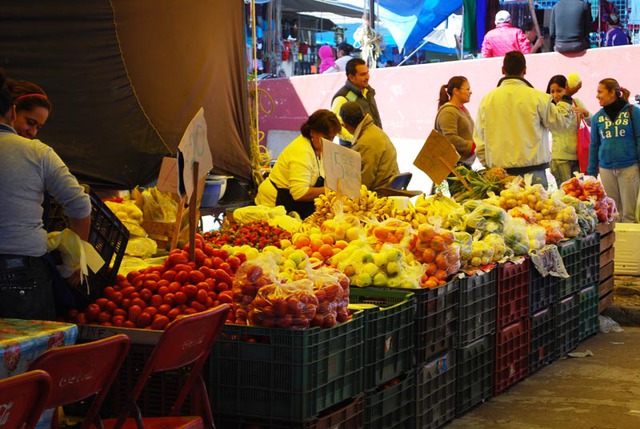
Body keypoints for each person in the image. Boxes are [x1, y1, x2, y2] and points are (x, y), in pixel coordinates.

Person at [0, 69, 91, 321]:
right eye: (30, 123)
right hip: (21, 272)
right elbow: (80, 205)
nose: (33, 132)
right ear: (13, 110)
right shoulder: (38, 153)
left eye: (38, 127)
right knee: (29, 352)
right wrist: (76, 257)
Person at [474, 51, 576, 188]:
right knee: (538, 209)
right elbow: (561, 123)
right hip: (534, 175)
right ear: (525, 70)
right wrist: (567, 97)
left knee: (503, 209)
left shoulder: (486, 101)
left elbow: (480, 141)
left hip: (500, 176)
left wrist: (491, 167)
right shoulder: (539, 98)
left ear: (503, 70)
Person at [255, 109, 340, 219]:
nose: (330, 142)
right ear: (312, 132)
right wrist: (331, 189)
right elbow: (299, 193)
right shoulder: (302, 151)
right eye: (327, 137)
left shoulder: (318, 148)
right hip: (274, 204)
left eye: (333, 138)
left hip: (291, 204)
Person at [587, 78, 640, 223]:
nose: (597, 96)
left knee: (629, 215)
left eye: (600, 92)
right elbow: (594, 145)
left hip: (629, 168)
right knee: (614, 214)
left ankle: (631, 245)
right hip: (606, 170)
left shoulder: (633, 112)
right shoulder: (597, 117)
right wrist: (591, 173)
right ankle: (616, 245)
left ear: (612, 93)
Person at [339, 101, 399, 190]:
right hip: (390, 187)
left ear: (346, 125)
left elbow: (363, 184)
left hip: (381, 194)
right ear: (363, 114)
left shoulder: (364, 143)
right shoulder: (375, 131)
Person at [546, 75, 591, 186]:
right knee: (567, 196)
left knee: (579, 195)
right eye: (552, 91)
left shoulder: (576, 102)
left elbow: (592, 123)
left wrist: (585, 113)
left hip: (578, 156)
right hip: (560, 159)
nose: (555, 95)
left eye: (559, 91)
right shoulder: (550, 108)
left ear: (567, 90)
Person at [331, 58, 382, 147]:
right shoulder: (342, 98)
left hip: (374, 145)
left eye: (367, 73)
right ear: (351, 77)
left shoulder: (368, 92)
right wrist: (357, 139)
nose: (367, 77)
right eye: (363, 74)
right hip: (355, 151)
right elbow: (336, 127)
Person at [435, 76, 476, 168]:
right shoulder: (448, 111)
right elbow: (449, 138)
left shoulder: (460, 109)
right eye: (467, 89)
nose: (471, 92)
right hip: (453, 169)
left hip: (463, 165)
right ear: (456, 91)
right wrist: (470, 146)